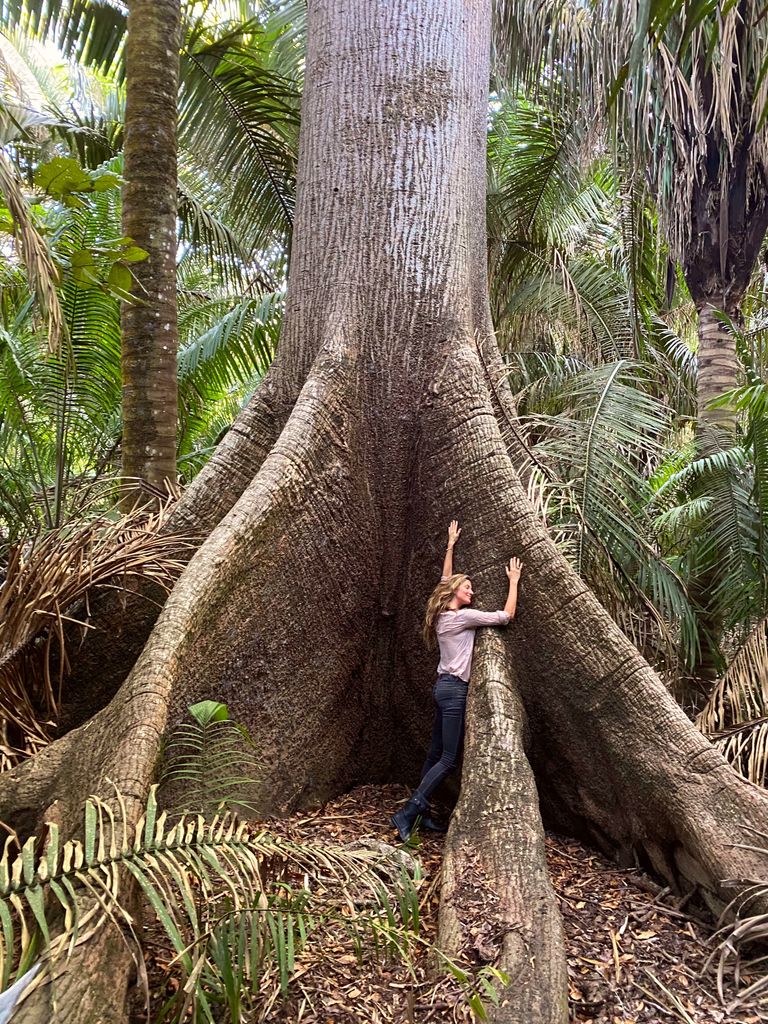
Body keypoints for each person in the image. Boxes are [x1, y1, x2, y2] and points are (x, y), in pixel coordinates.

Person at [391, 520, 522, 842]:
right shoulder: (463, 618)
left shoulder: (440, 615)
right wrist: (514, 582)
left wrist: (450, 546)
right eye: (469, 589)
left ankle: (421, 814)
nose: (472, 592)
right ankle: (407, 812)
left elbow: (445, 579)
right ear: (456, 595)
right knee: (448, 759)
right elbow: (506, 617)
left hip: (442, 688)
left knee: (435, 754)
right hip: (454, 691)